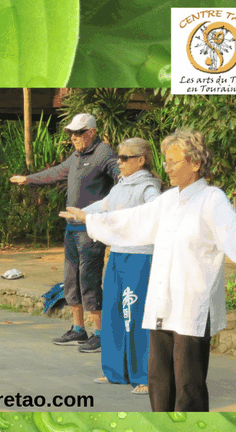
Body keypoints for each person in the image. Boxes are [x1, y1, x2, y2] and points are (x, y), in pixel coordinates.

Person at [62, 129, 236, 412]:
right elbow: (133, 220)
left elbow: (232, 230)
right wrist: (91, 217)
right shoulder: (168, 199)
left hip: (190, 304)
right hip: (162, 302)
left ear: (196, 163)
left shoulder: (212, 199)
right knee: (159, 379)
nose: (167, 167)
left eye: (173, 161)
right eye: (165, 161)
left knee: (188, 383)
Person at [10, 113, 119, 352]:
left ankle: (100, 333)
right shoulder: (77, 157)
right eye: (71, 133)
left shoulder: (103, 153)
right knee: (71, 280)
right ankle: (78, 329)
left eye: (79, 133)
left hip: (90, 229)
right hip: (71, 228)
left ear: (91, 132)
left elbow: (120, 181)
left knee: (88, 279)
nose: (73, 137)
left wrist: (105, 211)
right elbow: (56, 172)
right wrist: (28, 179)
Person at [61, 138, 161, 394]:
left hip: (140, 256)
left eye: (125, 158)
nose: (120, 161)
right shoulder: (120, 186)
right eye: (119, 156)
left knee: (136, 314)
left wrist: (91, 217)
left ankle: (144, 376)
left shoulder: (149, 187)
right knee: (115, 311)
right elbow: (104, 205)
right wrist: (79, 213)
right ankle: (115, 371)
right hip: (117, 254)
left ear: (140, 160)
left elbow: (153, 213)